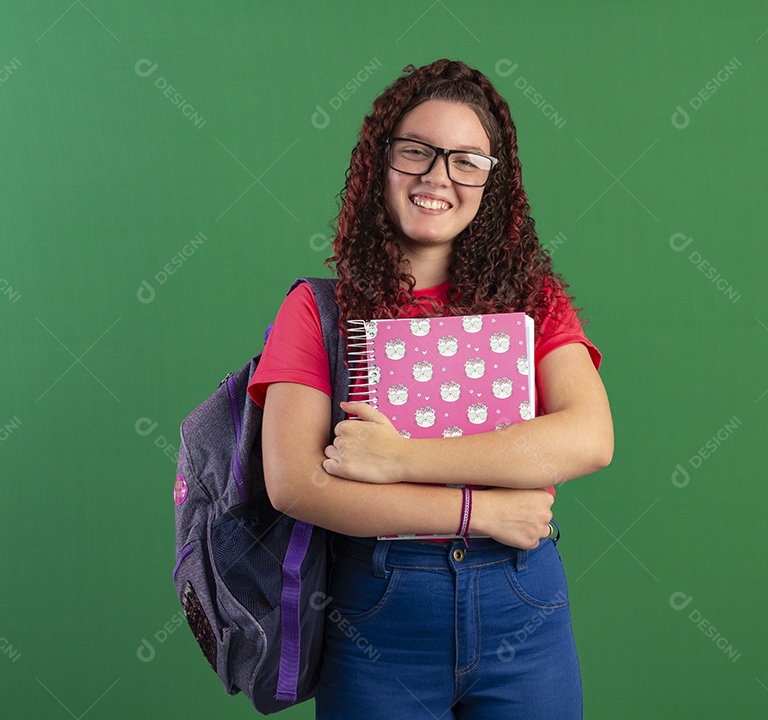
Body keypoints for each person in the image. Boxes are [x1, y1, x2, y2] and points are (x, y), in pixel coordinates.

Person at [249, 59, 612, 720]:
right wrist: (481, 512)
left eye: (466, 160)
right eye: (415, 152)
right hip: (378, 617)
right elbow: (295, 483)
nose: (438, 177)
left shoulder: (535, 303)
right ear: (379, 164)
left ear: (492, 182)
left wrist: (399, 460)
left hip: (524, 611)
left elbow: (589, 437)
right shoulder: (318, 311)